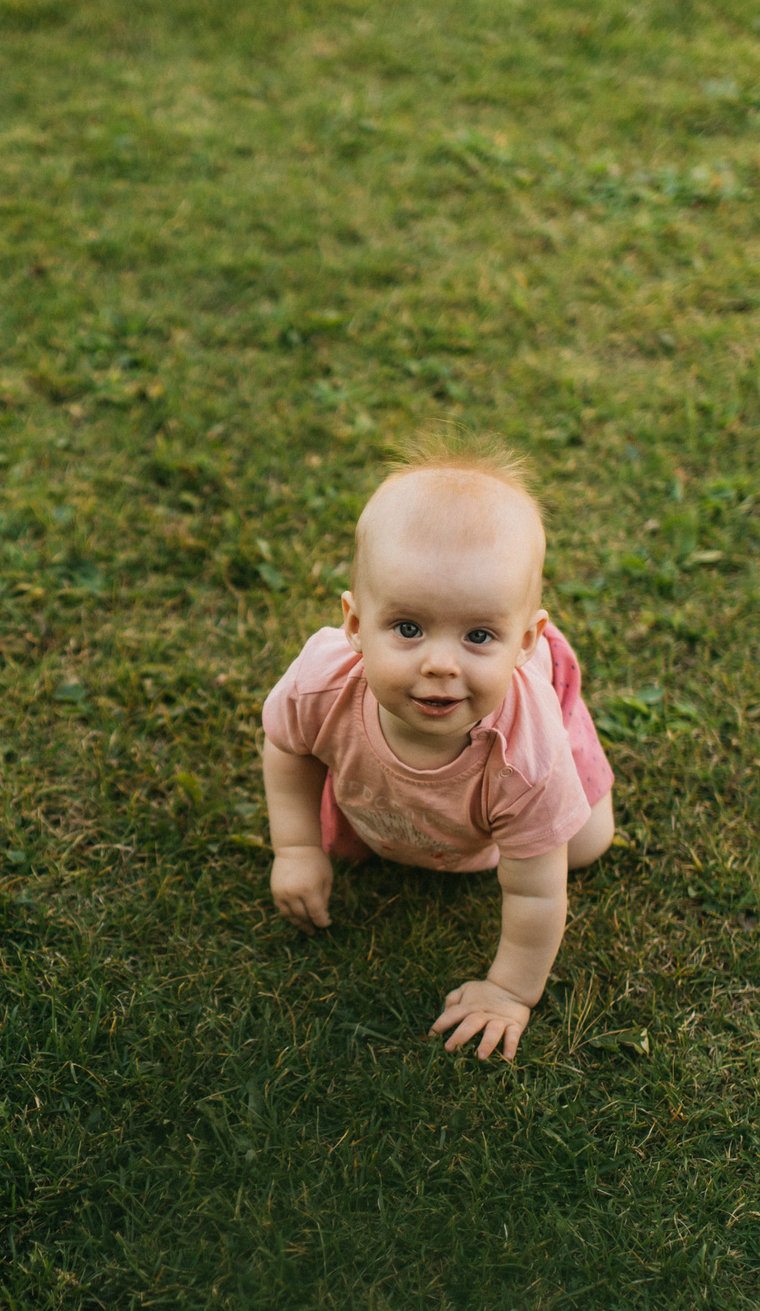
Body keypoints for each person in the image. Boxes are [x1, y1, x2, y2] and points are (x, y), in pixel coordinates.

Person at [260, 437, 616, 1062]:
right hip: (396, 814)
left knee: (584, 844)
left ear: (525, 638)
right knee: (356, 844)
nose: (441, 664)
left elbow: (536, 893)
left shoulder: (526, 758)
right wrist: (295, 847)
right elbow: (287, 749)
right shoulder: (322, 685)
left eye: (480, 634)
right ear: (354, 625)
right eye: (408, 628)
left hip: (516, 772)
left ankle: (558, 693)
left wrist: (509, 991)